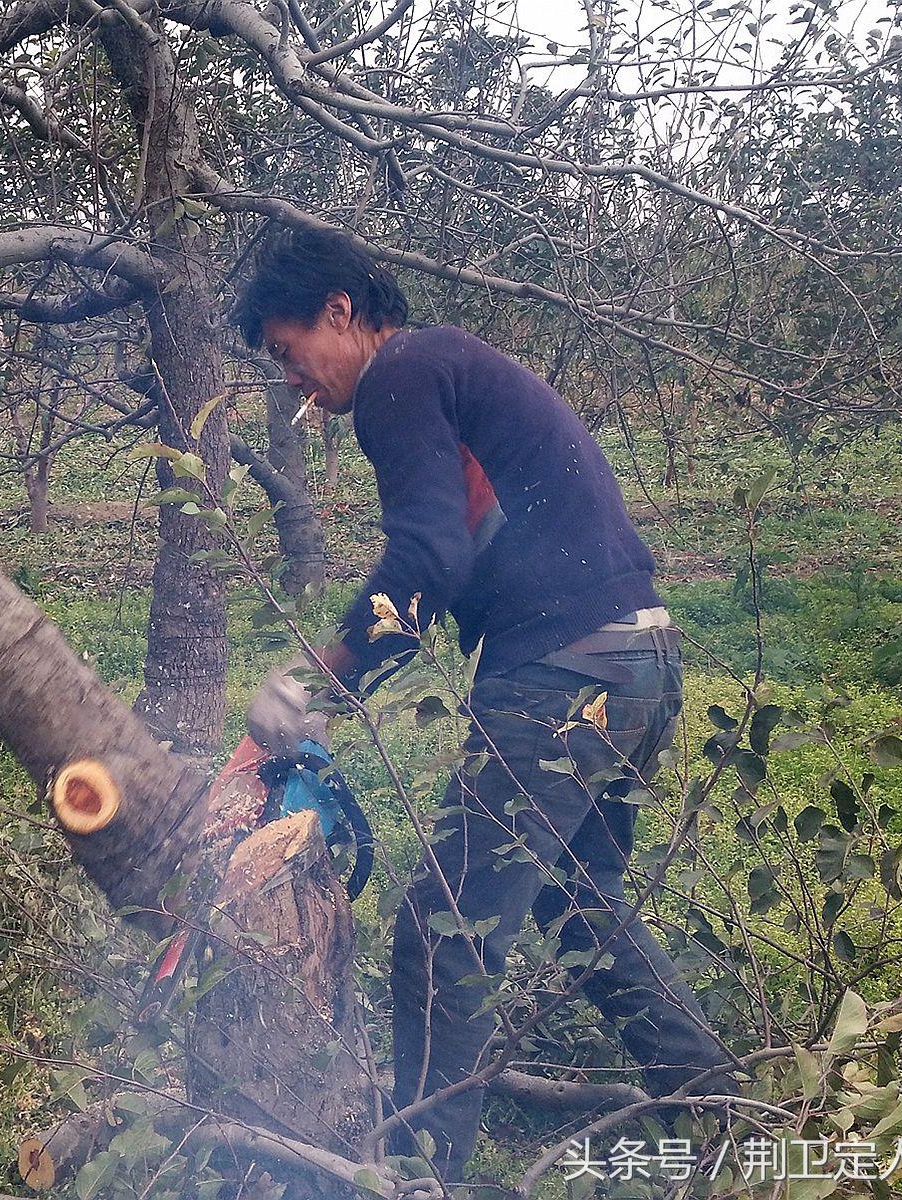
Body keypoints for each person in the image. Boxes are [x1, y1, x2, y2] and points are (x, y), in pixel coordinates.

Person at [232, 227, 736, 1185]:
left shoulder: (402, 374)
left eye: (292, 355)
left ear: (341, 311)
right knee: (578, 907)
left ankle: (421, 1172)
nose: (297, 385)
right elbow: (443, 561)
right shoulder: (454, 368)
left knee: (439, 926)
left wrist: (318, 682)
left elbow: (425, 563)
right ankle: (725, 1104)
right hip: (638, 657)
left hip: (567, 668)